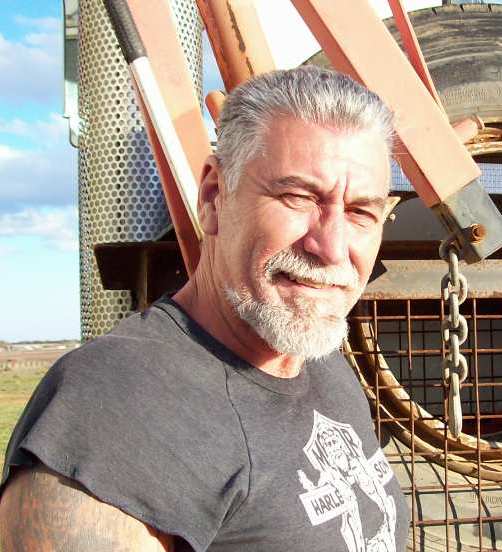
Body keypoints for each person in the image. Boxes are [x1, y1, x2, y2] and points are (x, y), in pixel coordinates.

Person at [0, 66, 410, 551]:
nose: (333, 247)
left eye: (361, 211)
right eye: (298, 197)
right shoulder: (118, 405)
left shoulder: (320, 364)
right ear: (214, 197)